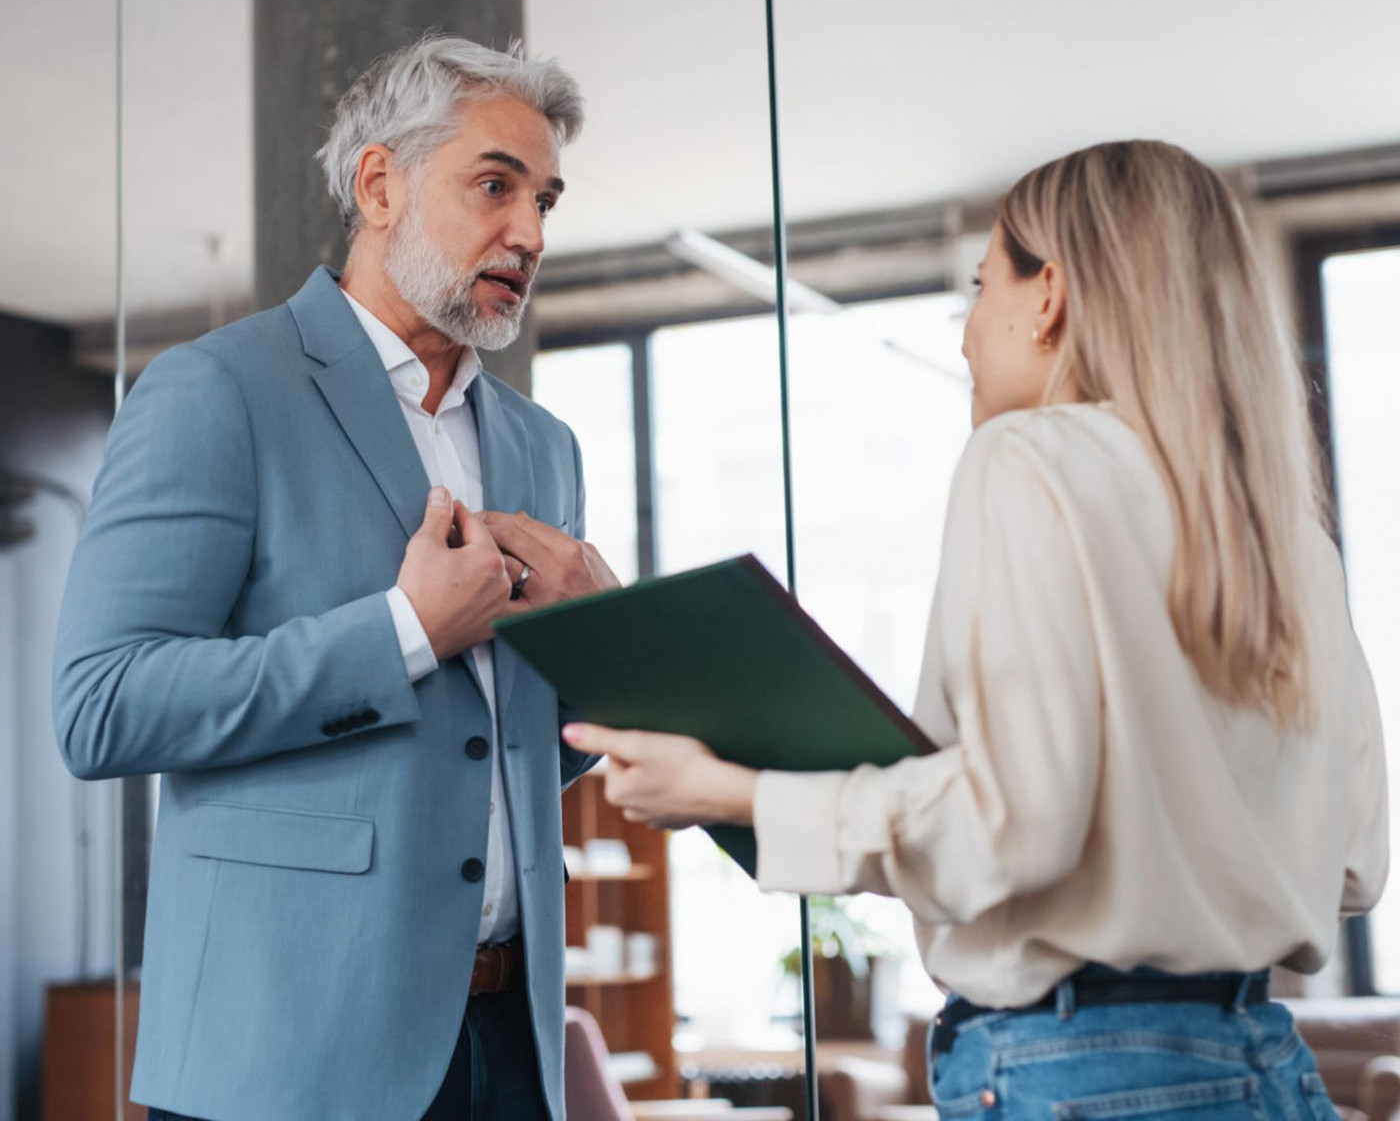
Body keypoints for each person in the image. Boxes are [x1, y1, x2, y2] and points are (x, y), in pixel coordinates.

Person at [566, 140, 1389, 1119]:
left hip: (1082, 1075)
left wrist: (734, 790)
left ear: (1049, 296)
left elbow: (1012, 824)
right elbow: (1351, 860)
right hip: (1266, 1067)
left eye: (978, 283)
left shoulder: (1027, 459)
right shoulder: (1285, 531)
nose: (964, 333)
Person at [53, 35, 617, 1121]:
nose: (531, 233)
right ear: (379, 184)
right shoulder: (215, 391)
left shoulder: (547, 449)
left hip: (510, 1050)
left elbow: (493, 760)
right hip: (285, 1054)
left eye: (545, 198)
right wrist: (405, 627)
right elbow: (101, 705)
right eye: (495, 185)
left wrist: (597, 658)